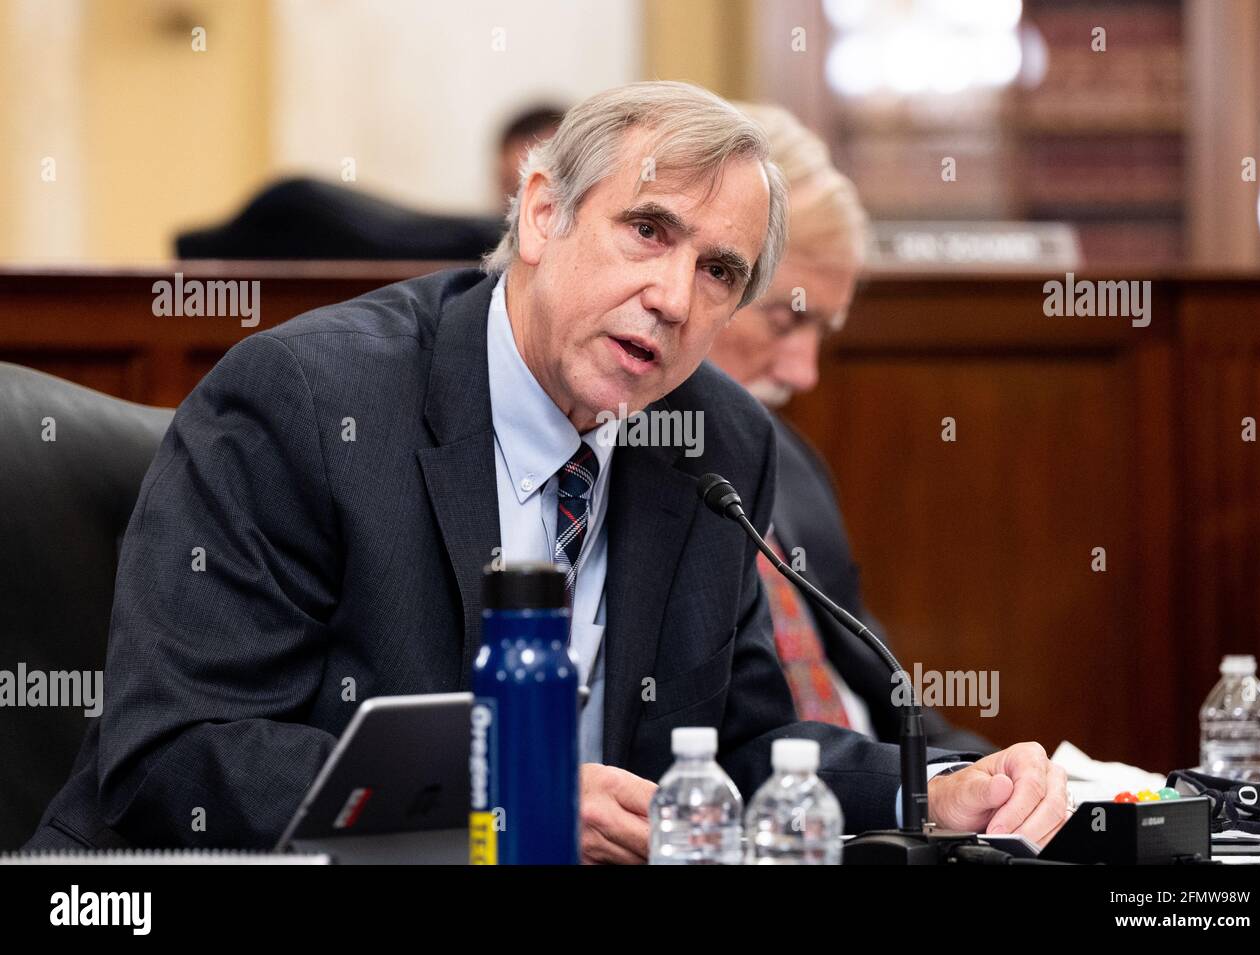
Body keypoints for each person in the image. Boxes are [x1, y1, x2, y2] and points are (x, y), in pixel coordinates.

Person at [28, 81, 1067, 862]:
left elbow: (741, 745)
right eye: (647, 230)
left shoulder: (712, 441)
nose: (671, 296)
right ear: (539, 214)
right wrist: (500, 792)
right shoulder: (304, 401)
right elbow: (178, 760)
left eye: (719, 273)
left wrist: (924, 790)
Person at [709, 104, 994, 755]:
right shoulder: (610, 472)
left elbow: (887, 692)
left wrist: (982, 776)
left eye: (822, 332)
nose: (805, 372)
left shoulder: (788, 459)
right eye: (787, 320)